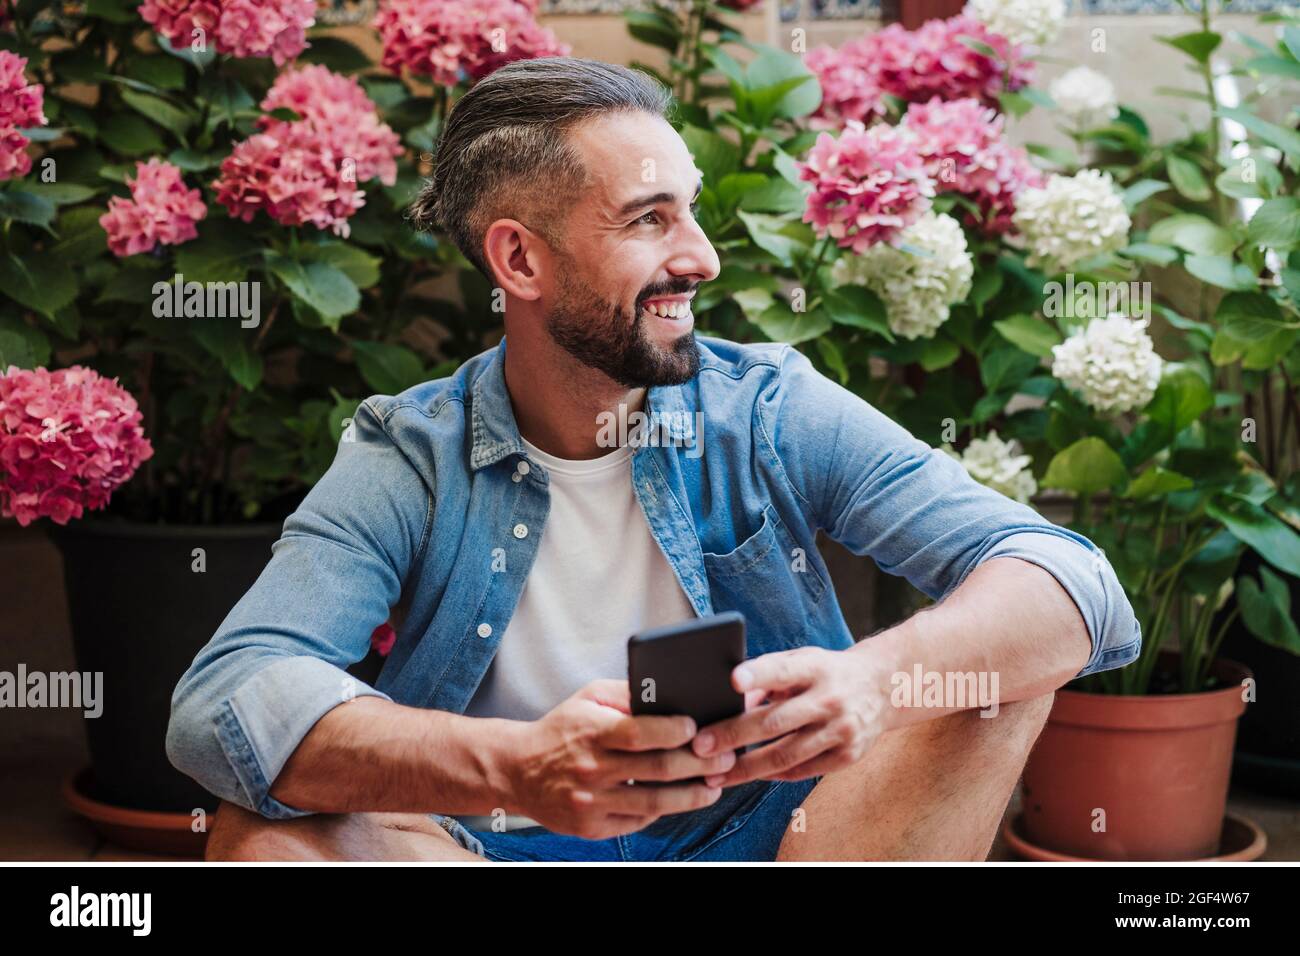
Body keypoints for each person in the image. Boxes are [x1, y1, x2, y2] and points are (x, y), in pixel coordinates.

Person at [167, 58, 1141, 862]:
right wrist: (517, 764)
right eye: (649, 219)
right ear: (520, 262)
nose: (702, 256)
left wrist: (877, 679)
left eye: (692, 210)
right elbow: (224, 698)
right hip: (487, 842)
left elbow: (1075, 587)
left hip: (773, 835)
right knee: (263, 838)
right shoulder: (410, 448)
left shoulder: (767, 405)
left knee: (995, 681)